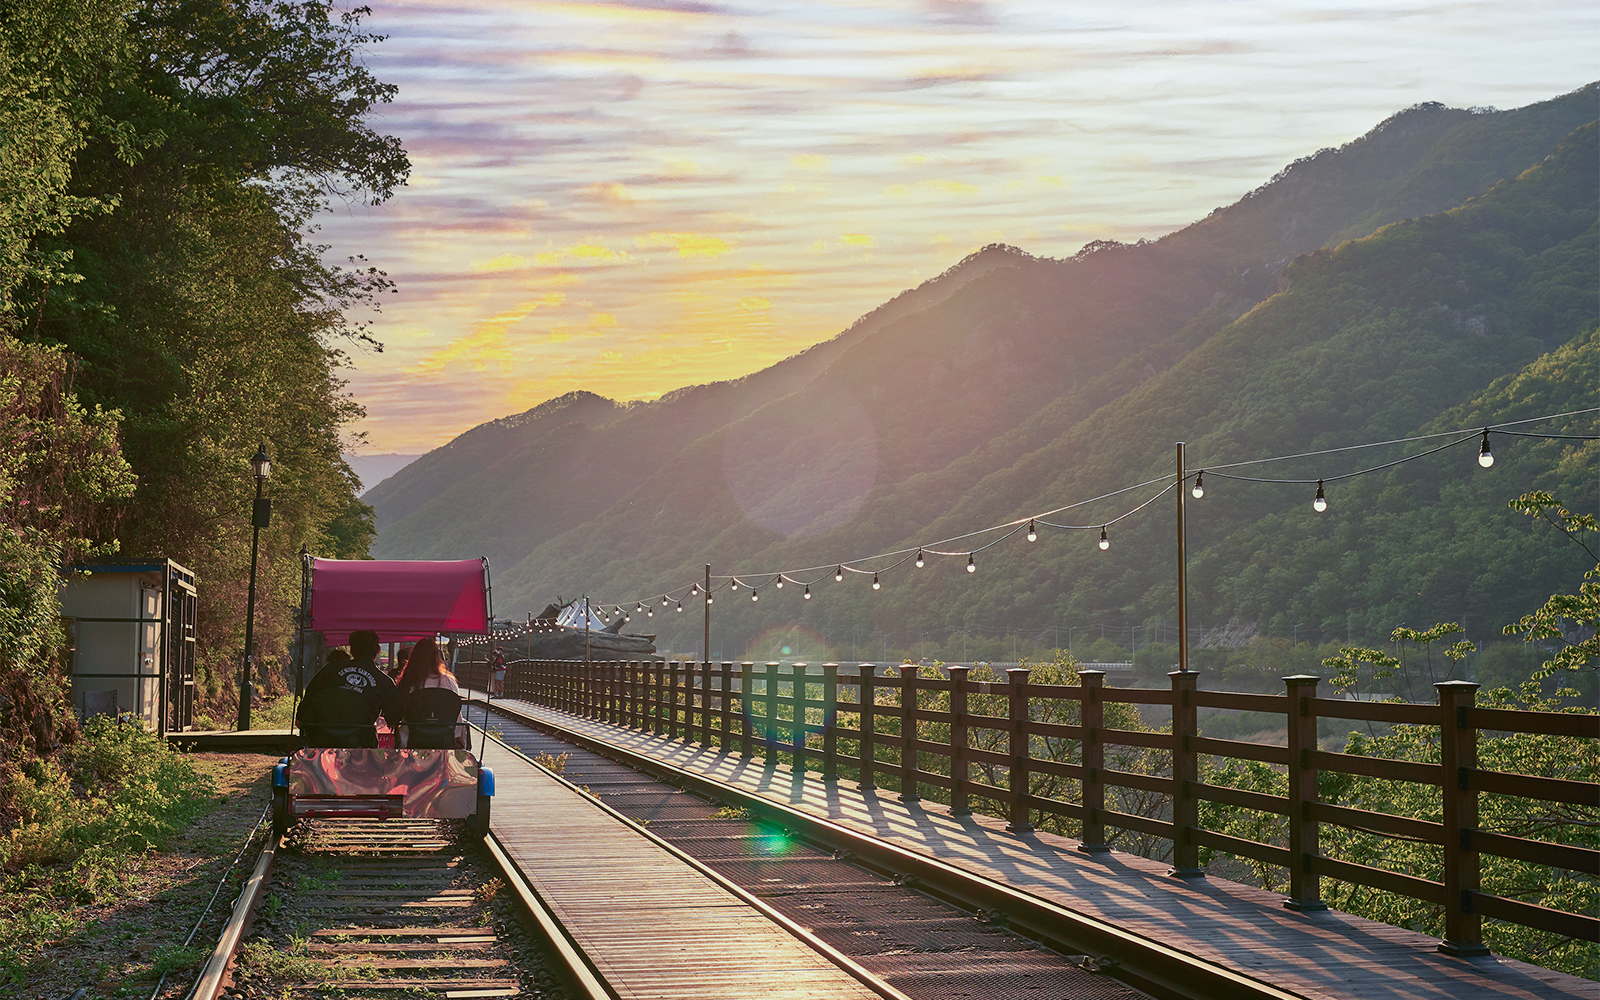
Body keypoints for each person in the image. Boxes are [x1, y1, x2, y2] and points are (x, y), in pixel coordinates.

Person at [296, 630, 400, 748]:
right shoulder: (384, 682)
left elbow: (305, 707)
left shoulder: (331, 668)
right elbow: (394, 719)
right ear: (378, 649)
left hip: (321, 740)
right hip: (360, 745)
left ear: (351, 650)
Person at [394, 636, 464, 749]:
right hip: (446, 739)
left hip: (415, 740)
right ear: (437, 657)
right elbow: (455, 712)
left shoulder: (409, 682)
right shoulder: (449, 681)